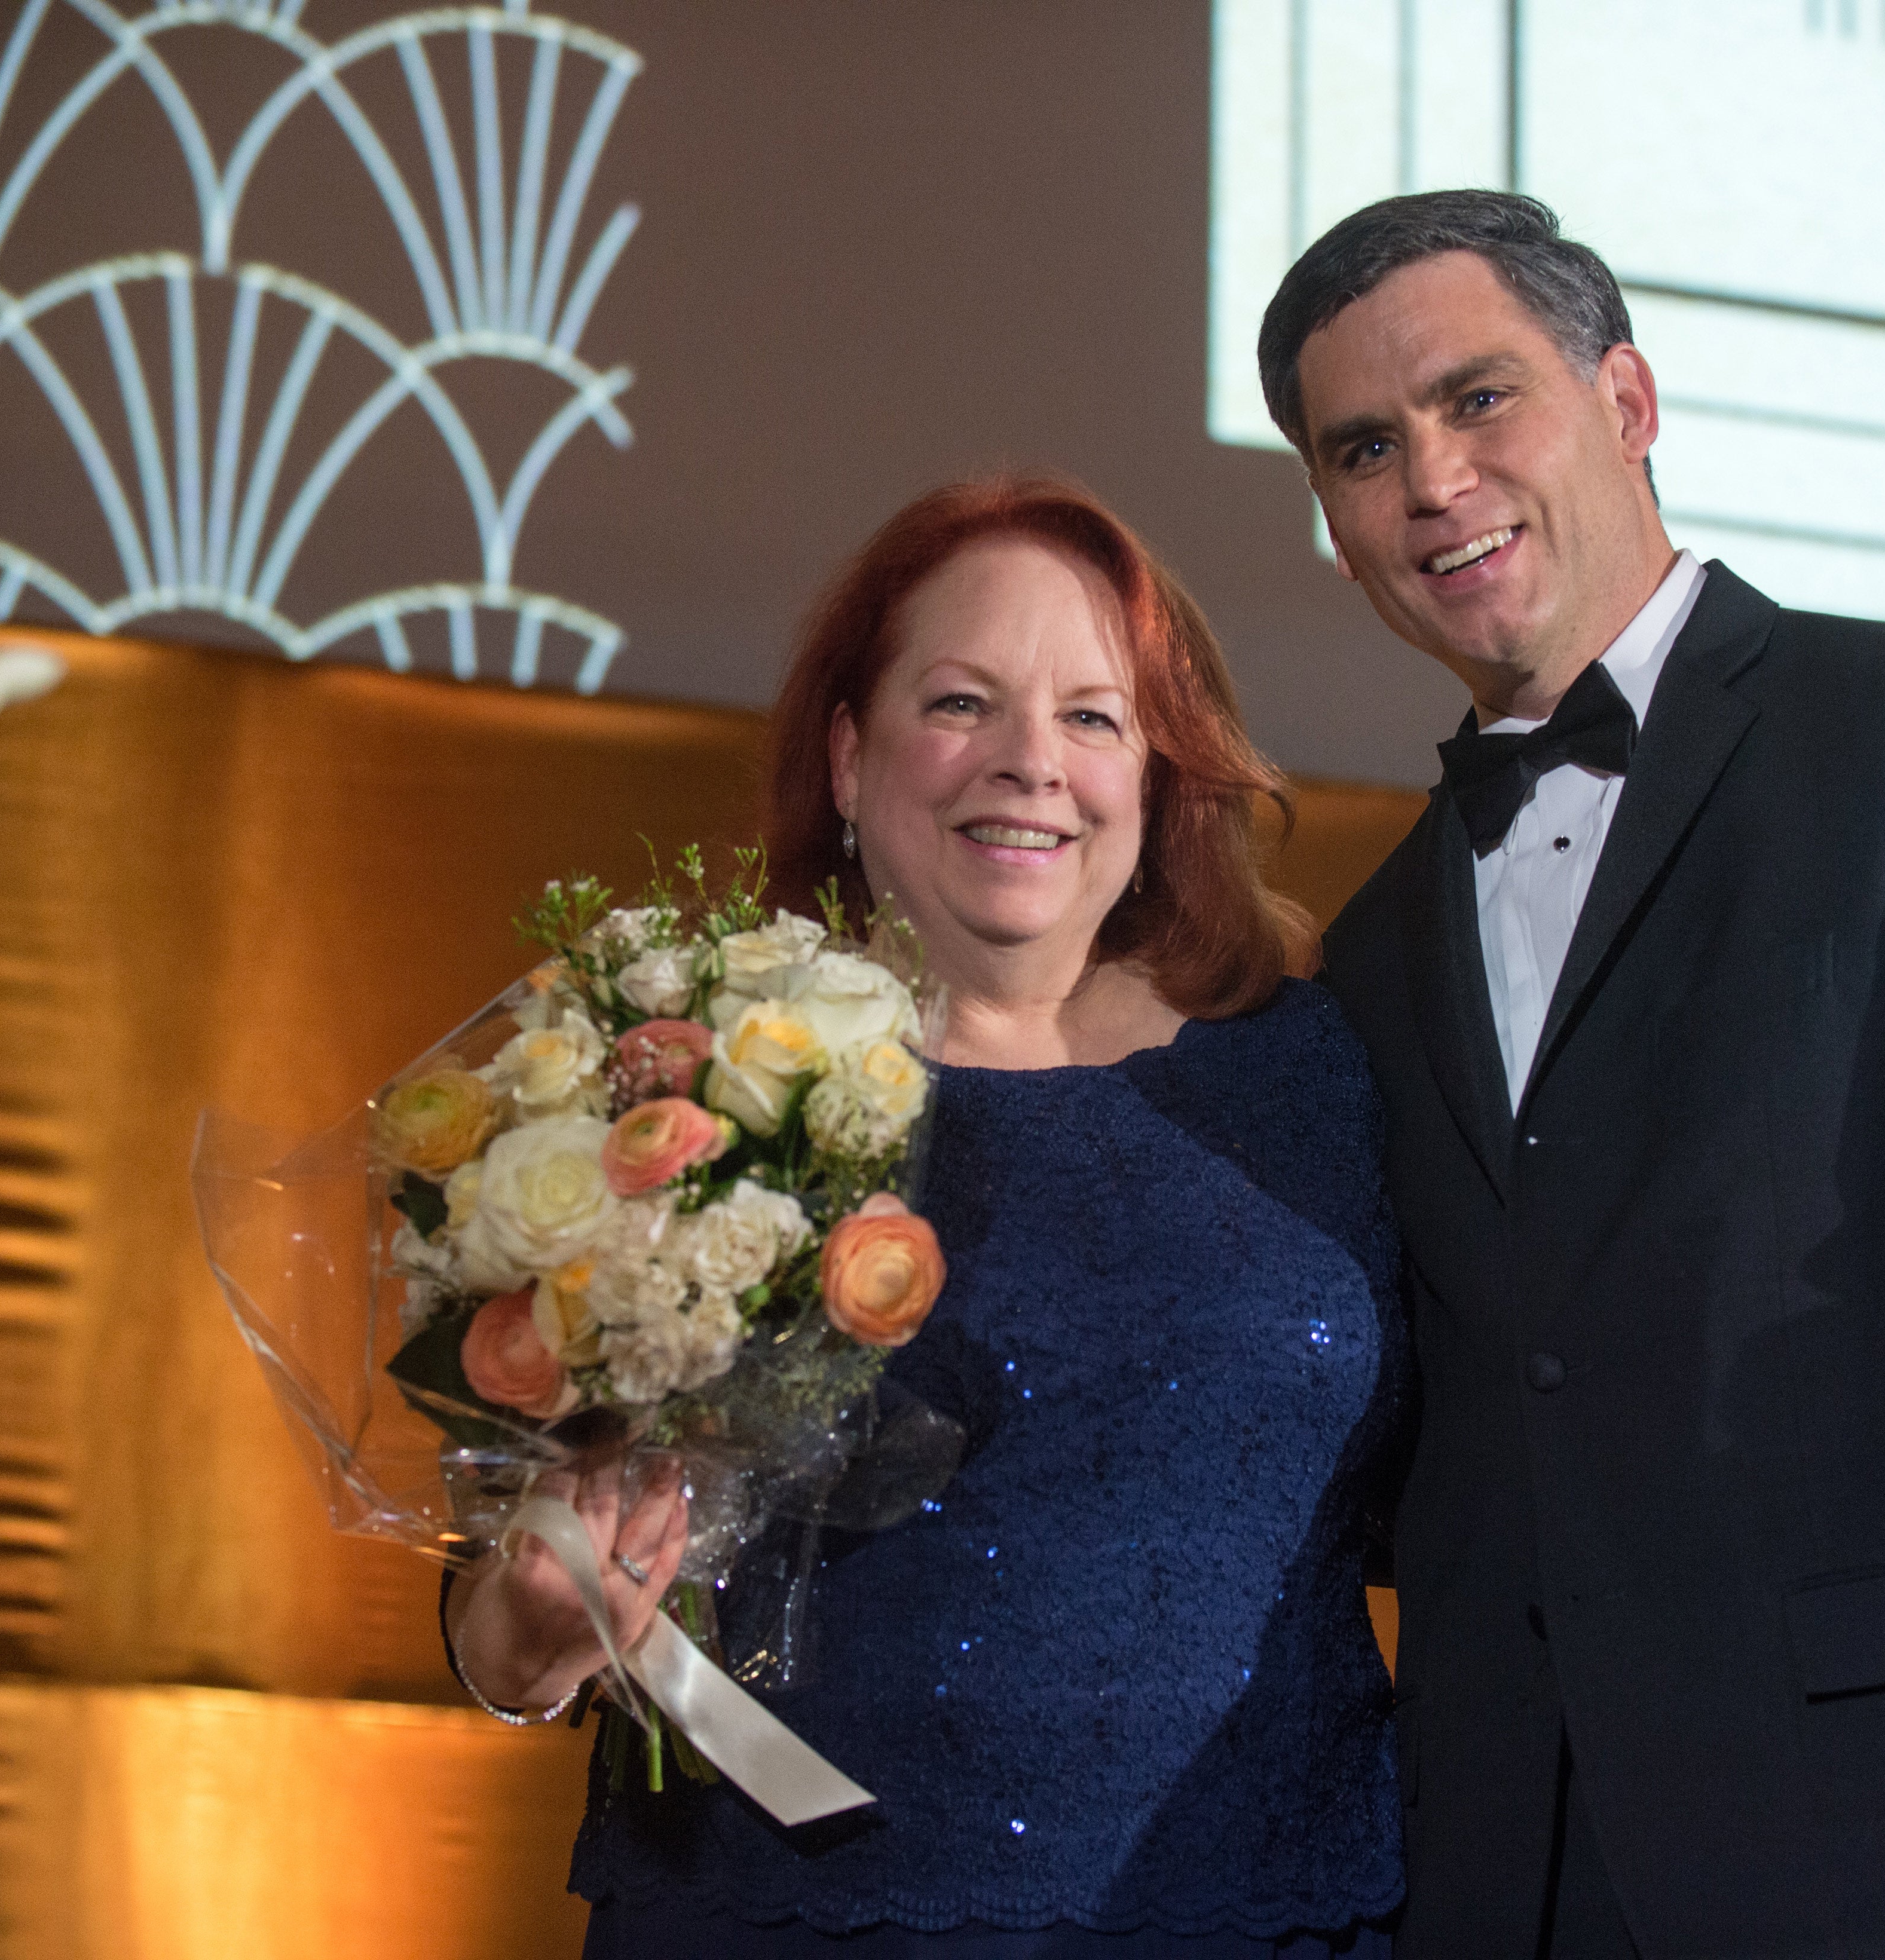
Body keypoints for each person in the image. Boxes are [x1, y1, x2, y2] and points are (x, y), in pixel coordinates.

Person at [1264, 192, 1885, 1959]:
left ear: (1627, 403)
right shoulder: (1367, 950)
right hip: (1514, 1883)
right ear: (1336, 530)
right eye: (1365, 449)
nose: (1432, 479)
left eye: (1480, 399)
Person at [443, 476, 1409, 1956]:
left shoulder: (1318, 1072)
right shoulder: (682, 1067)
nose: (1031, 761)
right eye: (963, 701)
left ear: (1156, 777)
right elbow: (508, 1575)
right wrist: (530, 1633)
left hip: (1270, 1913)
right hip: (790, 1911)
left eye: (1093, 716)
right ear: (847, 754)